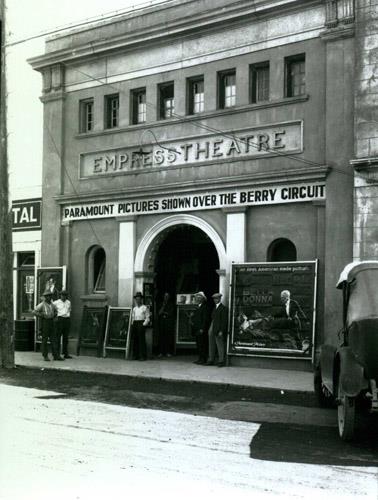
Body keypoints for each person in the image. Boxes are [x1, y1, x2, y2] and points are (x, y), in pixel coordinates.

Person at [33, 291, 62, 361]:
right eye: (47, 296)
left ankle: (56, 355)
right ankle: (45, 355)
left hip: (52, 322)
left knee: (53, 339)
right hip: (45, 322)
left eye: (49, 296)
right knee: (45, 340)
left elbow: (56, 311)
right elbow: (34, 311)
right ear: (45, 297)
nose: (48, 298)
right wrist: (42, 315)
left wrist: (55, 316)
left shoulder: (52, 305)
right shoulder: (42, 305)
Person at [206, 292, 228, 367]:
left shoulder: (223, 308)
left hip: (218, 328)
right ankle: (211, 359)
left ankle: (221, 360)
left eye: (217, 298)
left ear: (220, 299)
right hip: (213, 327)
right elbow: (212, 318)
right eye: (214, 299)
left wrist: (221, 330)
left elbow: (224, 321)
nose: (216, 300)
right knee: (211, 344)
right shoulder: (214, 308)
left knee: (220, 344)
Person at [191, 291, 210, 365]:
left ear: (203, 299)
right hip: (197, 329)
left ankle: (203, 359)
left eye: (199, 297)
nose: (198, 299)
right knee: (199, 344)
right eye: (197, 297)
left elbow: (205, 319)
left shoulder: (205, 307)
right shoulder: (197, 307)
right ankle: (200, 358)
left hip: (201, 329)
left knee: (203, 344)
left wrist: (202, 328)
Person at [131, 292, 150, 361]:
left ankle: (142, 356)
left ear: (141, 299)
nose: (138, 300)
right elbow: (133, 317)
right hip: (135, 323)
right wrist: (132, 324)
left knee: (141, 340)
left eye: (139, 299)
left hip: (141, 323)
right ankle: (135, 355)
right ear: (135, 300)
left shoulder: (144, 308)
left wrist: (143, 324)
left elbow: (147, 318)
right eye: (136, 299)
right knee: (135, 340)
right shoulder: (134, 309)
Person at [53, 290, 72, 359]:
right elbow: (53, 310)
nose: (64, 297)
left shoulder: (68, 302)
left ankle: (65, 353)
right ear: (60, 295)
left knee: (66, 337)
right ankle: (57, 354)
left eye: (65, 295)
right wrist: (55, 318)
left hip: (66, 319)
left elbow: (69, 310)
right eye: (62, 295)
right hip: (59, 319)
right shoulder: (56, 303)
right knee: (58, 337)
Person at [157, 292, 175, 357]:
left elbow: (170, 313)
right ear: (163, 297)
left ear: (169, 297)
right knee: (161, 337)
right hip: (162, 322)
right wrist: (163, 306)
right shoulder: (160, 304)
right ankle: (161, 352)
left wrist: (164, 313)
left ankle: (168, 352)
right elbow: (159, 313)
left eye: (167, 296)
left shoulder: (171, 304)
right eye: (165, 296)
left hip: (168, 322)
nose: (166, 297)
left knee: (168, 337)